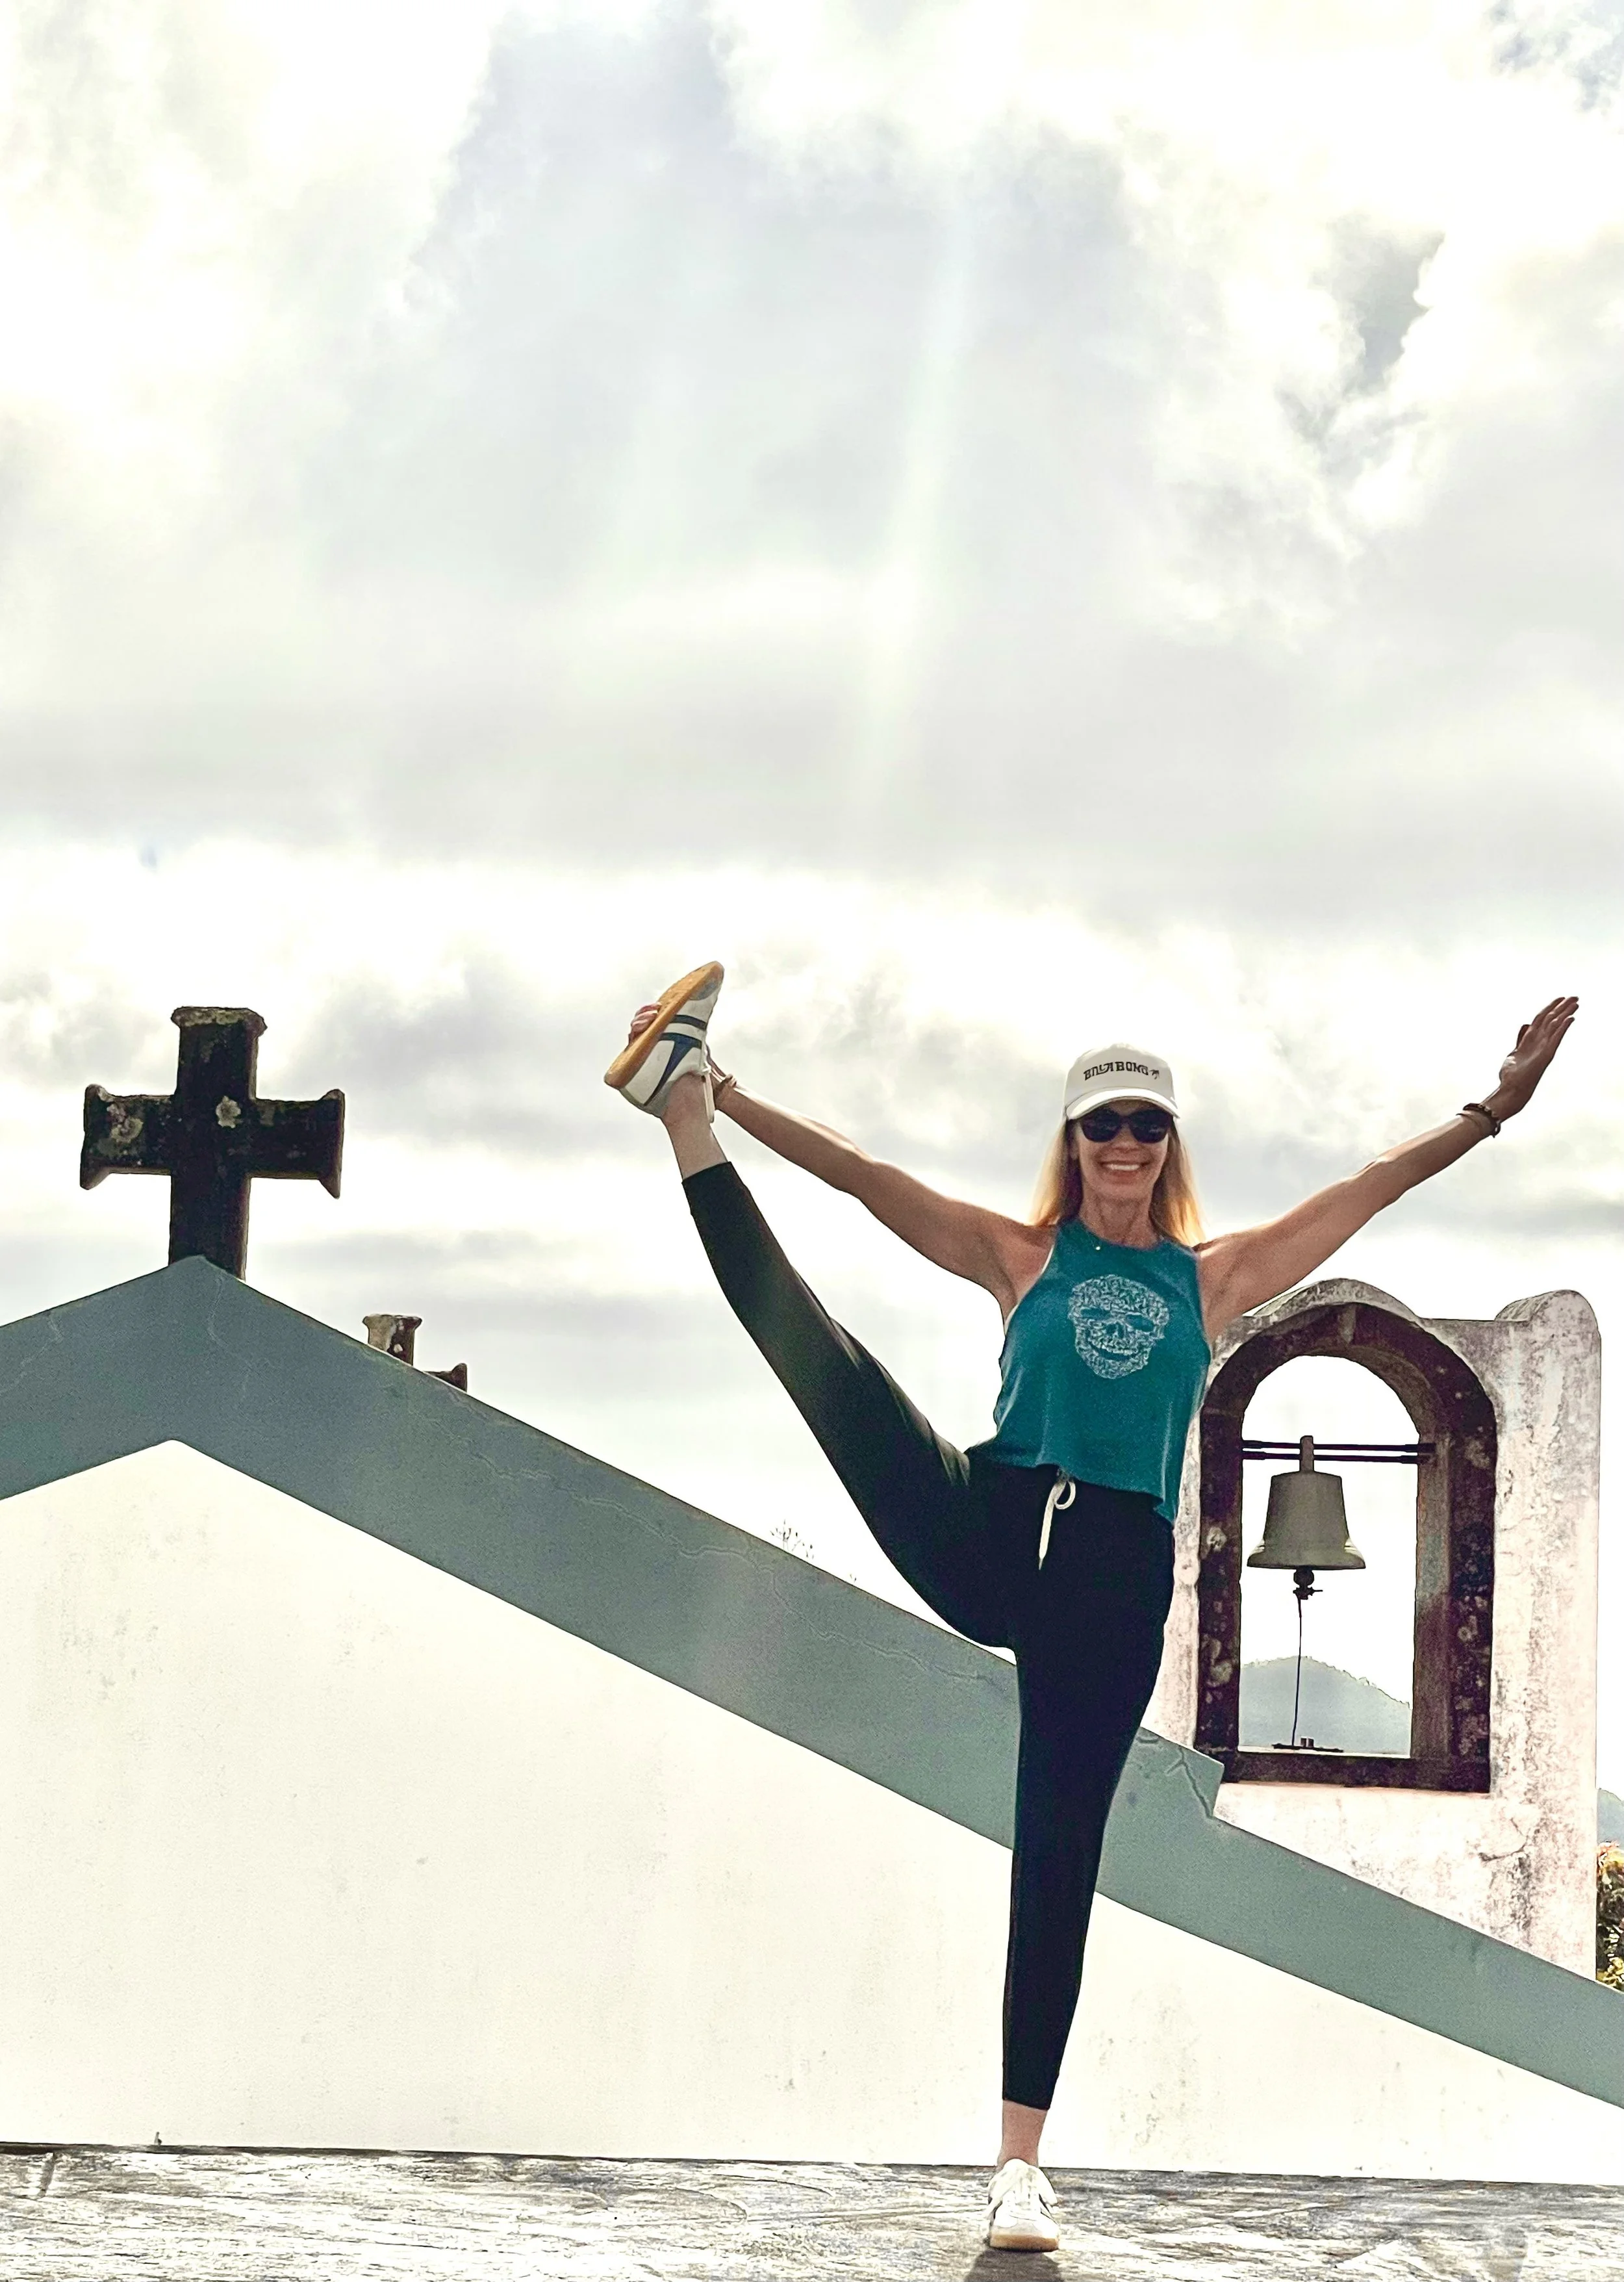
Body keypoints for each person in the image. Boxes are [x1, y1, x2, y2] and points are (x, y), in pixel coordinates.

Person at [605, 966, 1577, 2253]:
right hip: (991, 1519)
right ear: (1072, 1142)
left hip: (1112, 1582)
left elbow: (1367, 1187)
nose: (1124, 1142)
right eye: (1102, 1123)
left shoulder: (1211, 1279)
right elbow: (860, 1174)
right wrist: (730, 1093)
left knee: (1056, 1857)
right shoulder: (1021, 1256)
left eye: (1145, 1124)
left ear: (1168, 1145)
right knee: (819, 1357)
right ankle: (680, 1110)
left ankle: (1018, 2171)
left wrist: (1490, 1109)